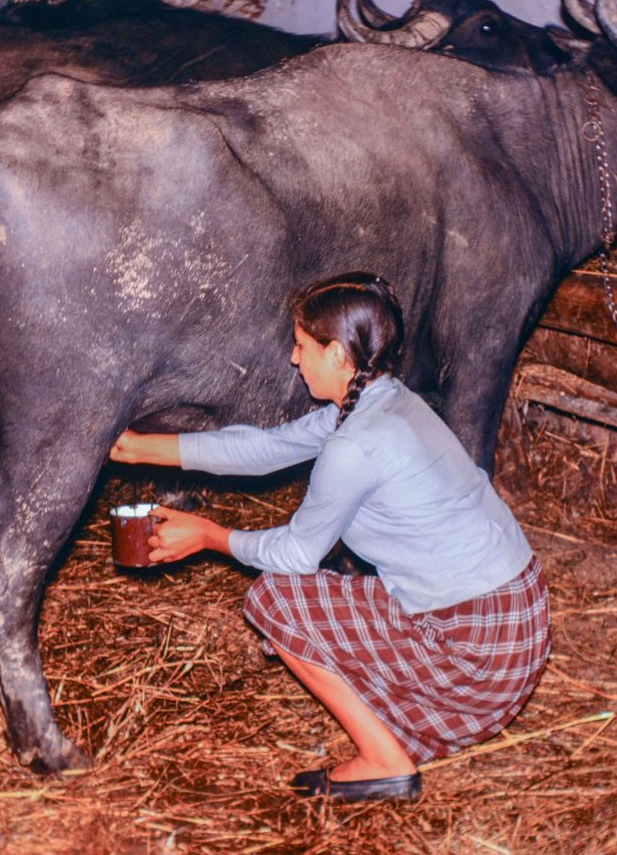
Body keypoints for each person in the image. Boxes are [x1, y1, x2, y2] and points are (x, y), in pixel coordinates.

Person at [110, 271, 550, 803]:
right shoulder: (383, 401)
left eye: (301, 347)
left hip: (481, 647)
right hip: (516, 613)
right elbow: (263, 450)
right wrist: (139, 448)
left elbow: (296, 554)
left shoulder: (356, 444)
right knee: (327, 598)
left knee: (278, 598)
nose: (295, 360)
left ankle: (383, 762)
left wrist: (210, 535)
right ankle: (392, 730)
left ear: (338, 355)